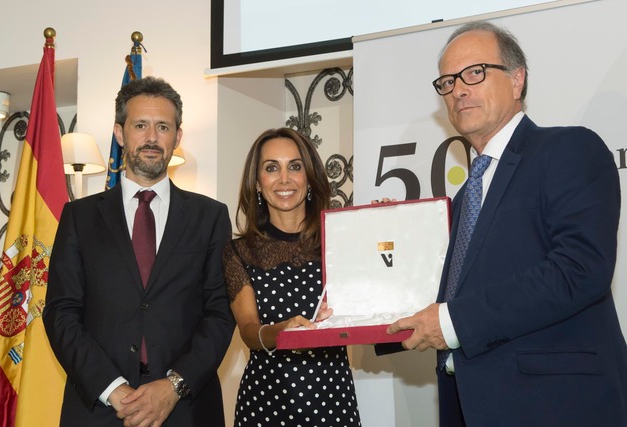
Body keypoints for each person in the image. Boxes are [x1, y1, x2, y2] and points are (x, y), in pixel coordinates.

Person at [386, 21, 627, 426]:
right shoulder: (464, 198)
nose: (458, 90)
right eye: (448, 81)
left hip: (557, 407)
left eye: (474, 73)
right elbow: (453, 295)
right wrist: (372, 271)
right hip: (469, 406)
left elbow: (580, 269)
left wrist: (452, 323)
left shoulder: (569, 149)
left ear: (517, 80)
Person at [44, 76, 235, 427]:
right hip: (99, 409)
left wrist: (173, 386)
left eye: (163, 127)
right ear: (120, 133)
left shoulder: (210, 216)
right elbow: (61, 313)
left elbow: (221, 314)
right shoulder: (78, 217)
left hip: (186, 410)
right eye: (140, 125)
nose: (151, 138)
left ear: (177, 137)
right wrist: (112, 388)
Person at [223, 127, 362, 426]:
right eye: (271, 168)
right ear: (257, 182)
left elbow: (376, 306)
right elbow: (248, 330)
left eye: (295, 167)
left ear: (309, 178)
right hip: (265, 403)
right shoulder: (239, 252)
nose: (284, 179)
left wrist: (387, 227)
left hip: (332, 399)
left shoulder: (341, 241)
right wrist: (282, 333)